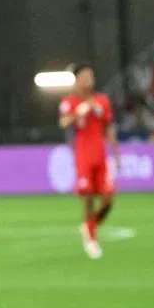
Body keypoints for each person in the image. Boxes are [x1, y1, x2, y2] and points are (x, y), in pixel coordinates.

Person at [58, 63, 120, 260]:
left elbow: (108, 128)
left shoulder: (102, 100)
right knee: (88, 198)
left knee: (108, 200)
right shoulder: (70, 101)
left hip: (100, 154)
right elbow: (63, 122)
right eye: (85, 76)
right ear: (78, 79)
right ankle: (91, 240)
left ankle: (89, 226)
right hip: (83, 154)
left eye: (91, 75)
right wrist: (79, 113)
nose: (89, 79)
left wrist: (116, 153)